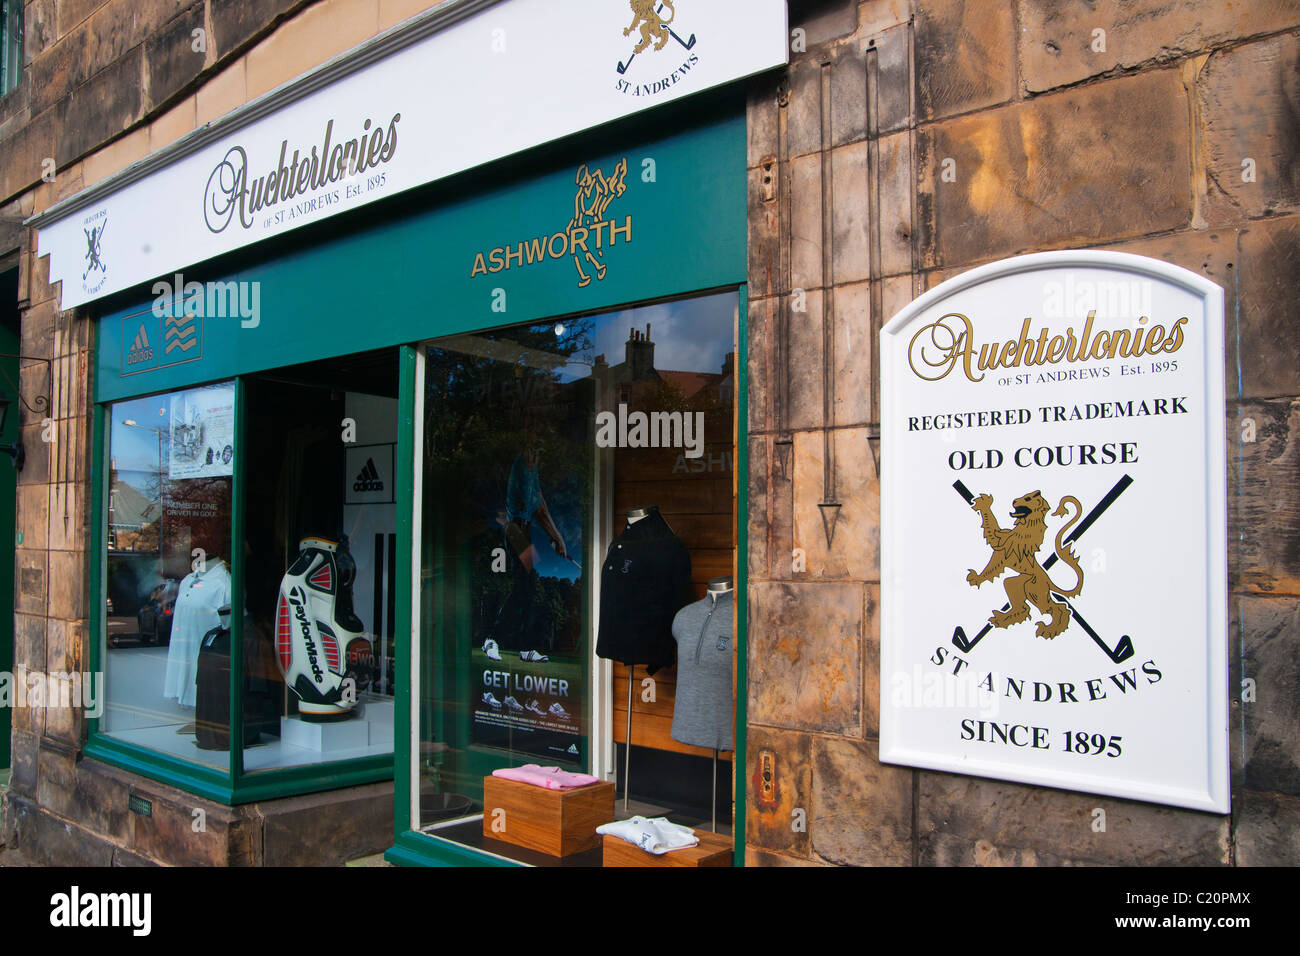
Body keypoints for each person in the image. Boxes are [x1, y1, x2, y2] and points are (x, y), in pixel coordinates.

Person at [482, 440, 567, 663]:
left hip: (524, 531)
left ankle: (526, 647)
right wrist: (557, 538)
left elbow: (541, 504)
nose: (538, 457)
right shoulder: (521, 465)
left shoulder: (532, 469)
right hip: (515, 529)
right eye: (536, 452)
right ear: (528, 450)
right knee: (524, 585)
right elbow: (538, 505)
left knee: (528, 588)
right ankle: (492, 639)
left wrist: (556, 537)